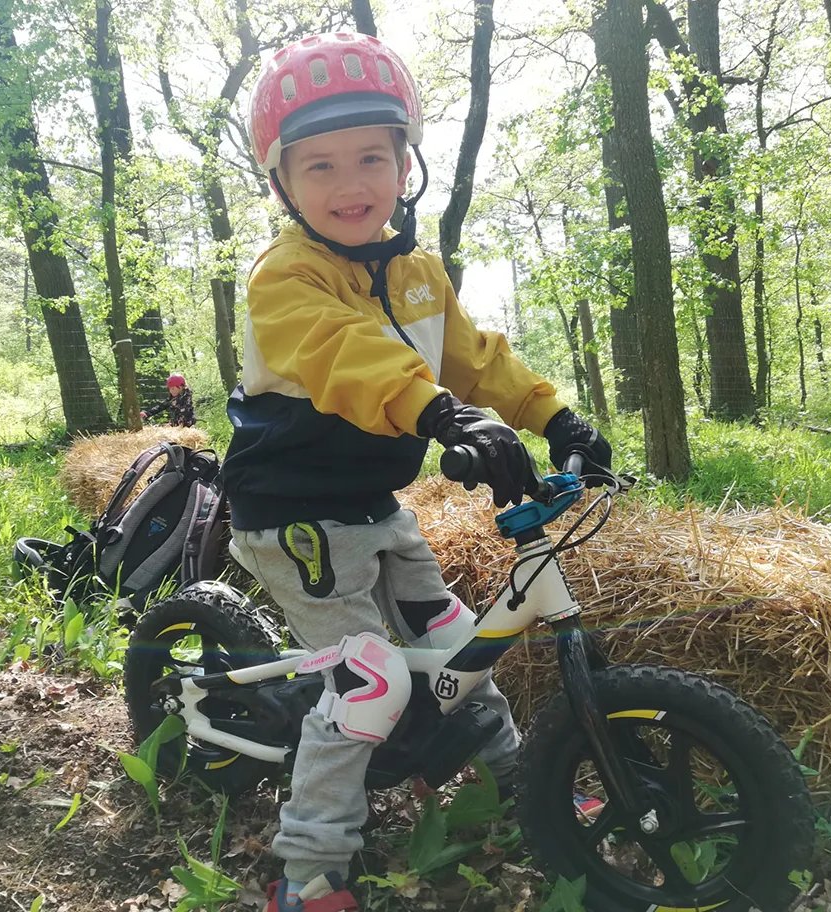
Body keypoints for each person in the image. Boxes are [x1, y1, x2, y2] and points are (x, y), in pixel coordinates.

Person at [221, 32, 612, 912]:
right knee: (369, 679)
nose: (350, 183)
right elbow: (348, 354)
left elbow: (475, 361)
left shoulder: (419, 272)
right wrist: (440, 415)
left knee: (458, 643)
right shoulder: (285, 279)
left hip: (369, 501)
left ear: (407, 165)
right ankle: (311, 865)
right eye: (318, 165)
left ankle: (513, 783)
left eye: (371, 156)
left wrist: (552, 415)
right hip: (291, 510)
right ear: (282, 182)